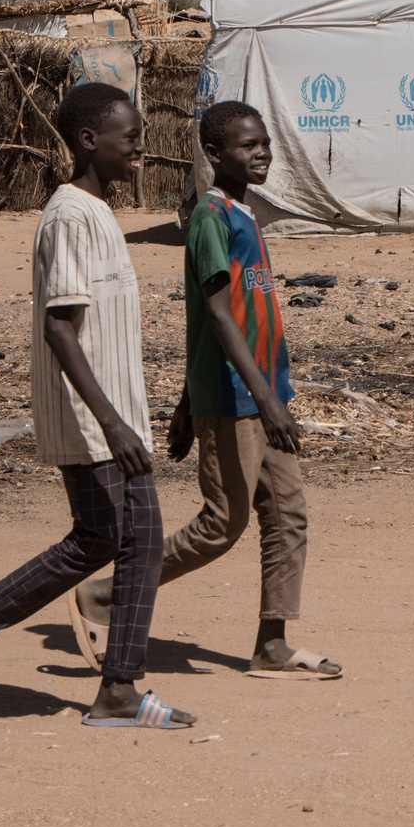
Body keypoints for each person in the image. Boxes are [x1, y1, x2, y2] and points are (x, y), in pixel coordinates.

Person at [0, 82, 193, 730]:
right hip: (92, 419)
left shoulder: (99, 210)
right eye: (130, 133)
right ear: (90, 140)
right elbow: (61, 328)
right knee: (101, 537)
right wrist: (112, 422)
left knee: (139, 542)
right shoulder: (67, 215)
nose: (142, 141)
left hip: (119, 416)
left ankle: (118, 688)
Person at [71, 99, 342, 681]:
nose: (261, 152)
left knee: (288, 515)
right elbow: (216, 316)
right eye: (248, 146)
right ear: (215, 155)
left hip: (267, 396)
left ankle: (272, 643)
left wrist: (267, 397)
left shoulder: (245, 215)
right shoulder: (211, 219)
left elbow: (223, 316)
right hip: (239, 401)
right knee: (222, 523)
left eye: (264, 142)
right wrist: (243, 401)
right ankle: (106, 595)